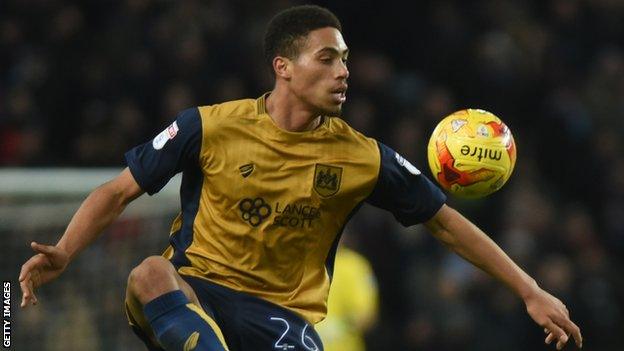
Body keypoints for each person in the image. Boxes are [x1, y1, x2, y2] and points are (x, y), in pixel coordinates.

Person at [19, 5, 582, 351]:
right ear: (282, 67)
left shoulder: (363, 157)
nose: (344, 72)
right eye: (328, 58)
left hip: (281, 320)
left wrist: (529, 290)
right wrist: (66, 251)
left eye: (346, 61)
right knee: (147, 273)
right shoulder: (208, 126)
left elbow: (446, 223)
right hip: (200, 294)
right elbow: (118, 192)